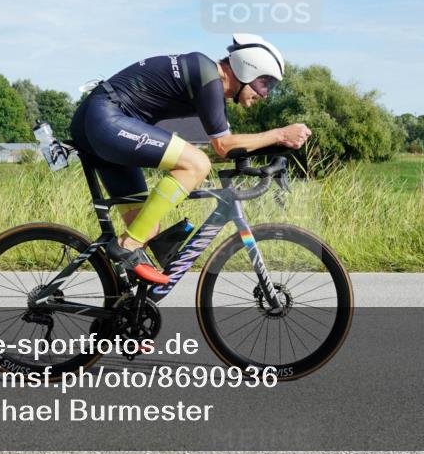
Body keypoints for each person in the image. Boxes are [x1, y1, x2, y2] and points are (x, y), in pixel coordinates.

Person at [69, 33, 311, 284]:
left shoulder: (209, 82)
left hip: (103, 123)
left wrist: (275, 149)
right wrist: (280, 134)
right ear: (247, 69)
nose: (266, 94)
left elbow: (232, 147)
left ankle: (121, 308)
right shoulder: (206, 76)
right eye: (265, 84)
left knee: (147, 227)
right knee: (196, 163)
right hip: (105, 119)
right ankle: (127, 245)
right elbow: (223, 146)